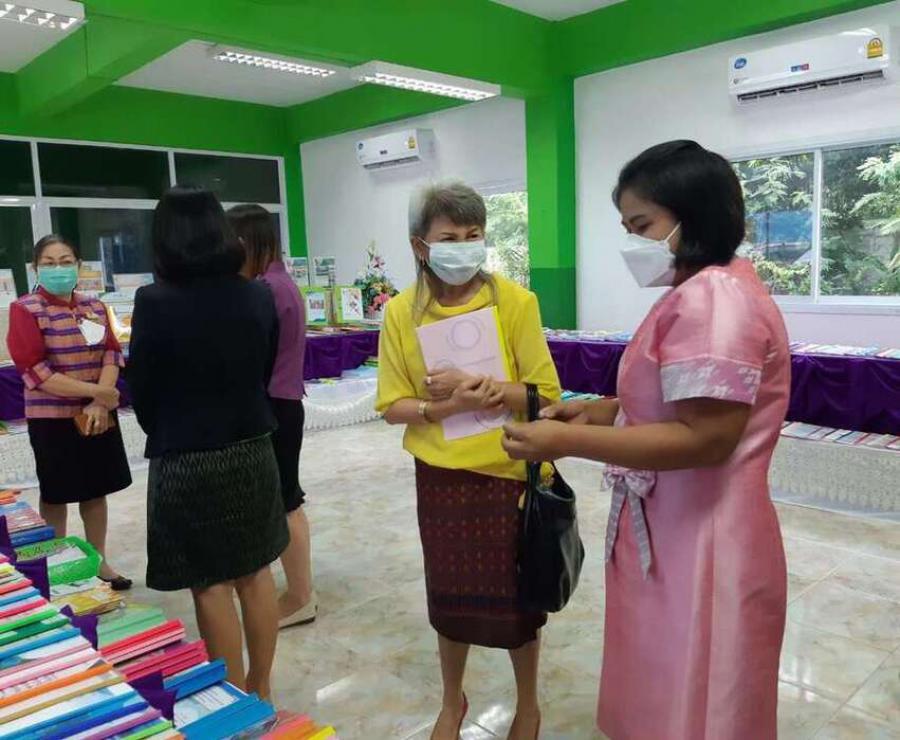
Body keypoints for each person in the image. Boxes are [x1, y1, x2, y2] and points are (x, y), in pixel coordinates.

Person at [502, 140, 790, 740]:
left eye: (643, 226)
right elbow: (675, 399)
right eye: (627, 228)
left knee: (697, 695)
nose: (633, 242)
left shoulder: (715, 299)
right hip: (677, 524)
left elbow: (706, 438)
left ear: (695, 216)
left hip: (704, 539)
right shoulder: (698, 290)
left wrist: (564, 443)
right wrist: (599, 412)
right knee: (664, 683)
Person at [376, 181, 561, 740]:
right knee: (449, 601)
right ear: (420, 246)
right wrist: (446, 406)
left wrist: (487, 388)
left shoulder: (515, 302)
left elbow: (545, 396)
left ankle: (528, 705)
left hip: (509, 472)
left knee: (519, 605)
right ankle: (451, 700)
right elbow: (392, 405)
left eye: (473, 235)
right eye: (449, 237)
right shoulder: (401, 313)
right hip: (442, 479)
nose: (463, 247)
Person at [128, 187, 288, 699]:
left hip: (186, 457)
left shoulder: (153, 301)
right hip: (251, 448)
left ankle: (235, 699)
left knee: (211, 583)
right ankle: (262, 688)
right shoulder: (257, 294)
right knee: (256, 572)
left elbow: (143, 388)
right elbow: (263, 368)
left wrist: (170, 424)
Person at [6, 235, 132, 590]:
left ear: (78, 265)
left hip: (96, 415)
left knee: (96, 489)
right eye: (49, 263)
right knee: (56, 493)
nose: (58, 269)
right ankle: (55, 566)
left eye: (65, 261)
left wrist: (99, 402)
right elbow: (35, 371)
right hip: (52, 419)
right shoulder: (25, 309)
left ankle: (99, 561)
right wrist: (97, 393)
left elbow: (111, 353)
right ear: (36, 268)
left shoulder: (94, 306)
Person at [228, 204, 316, 629]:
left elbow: (255, 357)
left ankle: (300, 596)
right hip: (282, 402)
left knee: (286, 500)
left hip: (274, 405)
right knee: (284, 498)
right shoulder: (278, 283)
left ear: (244, 243)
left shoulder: (266, 289)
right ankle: (300, 591)